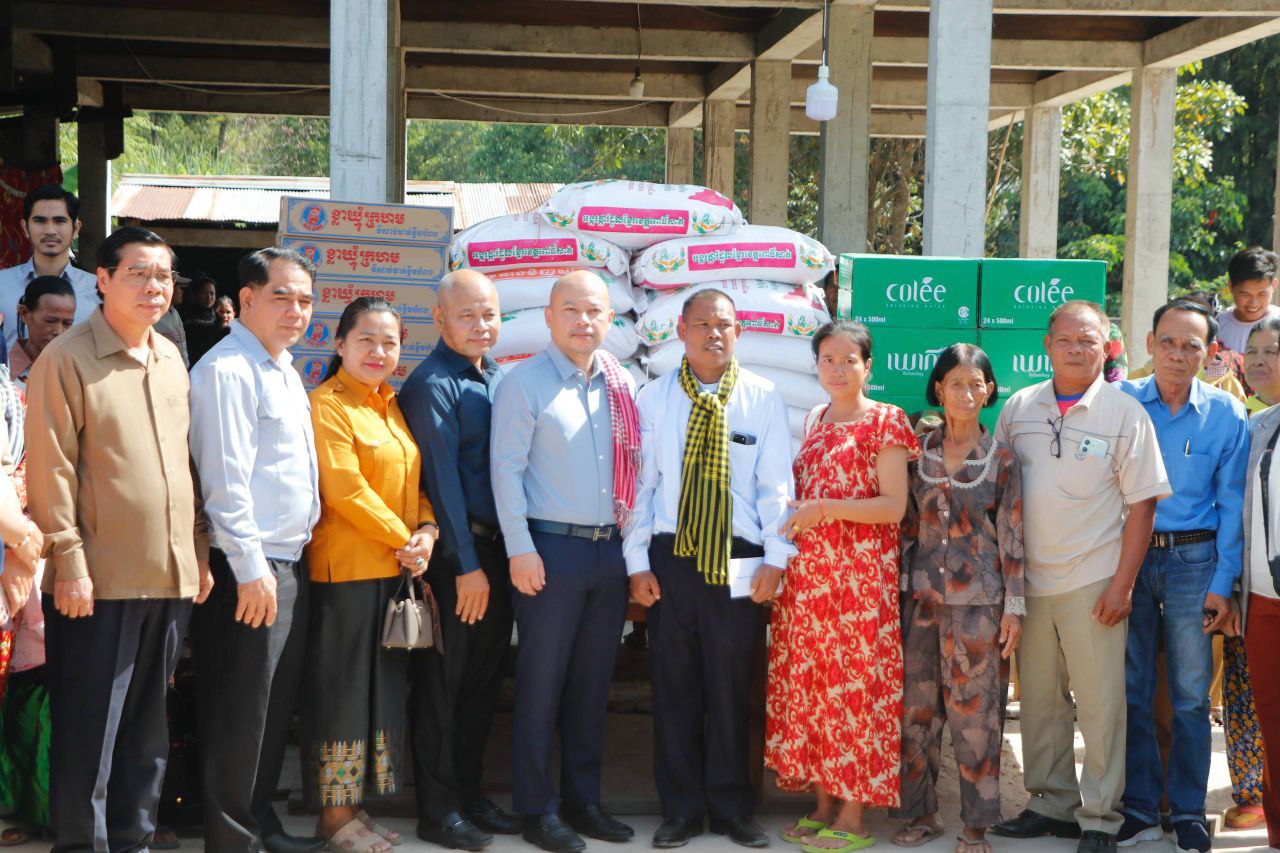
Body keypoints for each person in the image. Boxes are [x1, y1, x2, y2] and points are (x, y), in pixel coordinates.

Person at [25, 226, 213, 853]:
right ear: (101, 279)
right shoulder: (67, 359)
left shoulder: (170, 358)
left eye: (163, 276)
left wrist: (198, 553)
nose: (154, 287)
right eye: (138, 273)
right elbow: (51, 469)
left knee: (149, 730)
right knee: (90, 732)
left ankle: (132, 841)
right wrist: (69, 562)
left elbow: (184, 467)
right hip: (97, 581)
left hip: (170, 575)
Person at [991, 300, 1170, 853]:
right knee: (1040, 701)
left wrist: (1122, 585)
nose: (1075, 348)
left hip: (1094, 579)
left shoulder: (1124, 414)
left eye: (1088, 340)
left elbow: (1143, 506)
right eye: (1065, 339)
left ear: (1106, 347)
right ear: (1047, 345)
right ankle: (1051, 804)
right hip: (1029, 583)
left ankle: (1100, 818)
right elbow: (998, 489)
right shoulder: (1019, 407)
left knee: (1100, 705)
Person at [625, 290, 794, 849]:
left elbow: (776, 485)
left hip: (740, 558)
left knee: (732, 685)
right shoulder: (654, 398)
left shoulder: (762, 396)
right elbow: (642, 486)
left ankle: (731, 808)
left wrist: (776, 558)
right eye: (702, 324)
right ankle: (680, 809)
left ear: (738, 332)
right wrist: (636, 564)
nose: (713, 334)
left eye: (723, 324)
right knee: (674, 685)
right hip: (672, 555)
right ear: (681, 330)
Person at [490, 270, 640, 853]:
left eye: (594, 310)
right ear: (549, 318)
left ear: (610, 319)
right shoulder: (523, 383)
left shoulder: (620, 383)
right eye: (571, 310)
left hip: (608, 551)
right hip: (549, 551)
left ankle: (583, 801)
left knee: (592, 683)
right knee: (541, 683)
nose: (583, 320)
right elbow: (506, 472)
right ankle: (538, 808)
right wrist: (519, 548)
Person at [765, 320, 920, 853]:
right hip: (809, 584)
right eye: (827, 359)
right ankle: (823, 805)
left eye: (848, 360)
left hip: (859, 583)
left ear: (867, 366)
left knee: (856, 692)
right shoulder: (814, 418)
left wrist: (824, 509)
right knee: (813, 691)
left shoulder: (886, 420)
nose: (837, 369)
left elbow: (893, 507)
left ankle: (853, 816)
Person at [187, 248, 322, 853]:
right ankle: (232, 839)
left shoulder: (282, 368)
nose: (297, 311)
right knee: (240, 710)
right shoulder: (227, 370)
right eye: (281, 297)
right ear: (245, 299)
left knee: (270, 707)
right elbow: (225, 483)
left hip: (287, 561)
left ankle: (259, 823)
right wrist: (250, 569)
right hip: (250, 565)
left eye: (306, 300)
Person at [304, 296, 439, 853]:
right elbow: (344, 488)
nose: (378, 352)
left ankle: (354, 808)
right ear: (340, 344)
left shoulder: (391, 405)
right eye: (366, 340)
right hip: (346, 575)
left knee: (379, 693)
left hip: (393, 571)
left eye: (390, 342)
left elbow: (415, 483)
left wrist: (426, 530)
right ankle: (332, 820)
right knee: (342, 694)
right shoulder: (327, 405)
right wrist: (404, 539)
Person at [1113, 300, 1248, 853]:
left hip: (1196, 561)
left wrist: (1224, 581)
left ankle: (1189, 812)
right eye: (1167, 342)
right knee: (1133, 690)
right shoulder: (1121, 403)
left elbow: (1232, 503)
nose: (1177, 354)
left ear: (1210, 352)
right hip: (1130, 557)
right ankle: (1140, 809)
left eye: (1191, 345)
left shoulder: (1226, 413)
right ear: (1149, 344)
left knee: (1192, 697)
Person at [398, 270, 518, 851]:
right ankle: (437, 809)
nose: (480, 325)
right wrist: (467, 565)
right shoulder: (431, 384)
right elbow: (442, 483)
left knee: (481, 682)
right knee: (442, 687)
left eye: (489, 314)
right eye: (467, 315)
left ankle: (469, 794)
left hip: (496, 552)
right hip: (455, 558)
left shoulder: (496, 377)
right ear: (439, 318)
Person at [890, 343, 1024, 853]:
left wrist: (1015, 609)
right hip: (921, 601)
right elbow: (904, 530)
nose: (965, 393)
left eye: (975, 384)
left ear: (989, 391)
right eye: (955, 384)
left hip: (979, 607)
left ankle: (976, 825)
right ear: (938, 389)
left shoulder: (1002, 459)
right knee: (916, 711)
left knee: (977, 716)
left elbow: (1013, 538)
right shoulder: (916, 453)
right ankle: (921, 814)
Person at [1239, 316, 1280, 847]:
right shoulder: (1256, 427)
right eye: (1252, 350)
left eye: (1272, 350)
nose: (1259, 359)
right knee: (1272, 719)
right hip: (1262, 599)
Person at [0, 185, 100, 352]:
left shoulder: (99, 291)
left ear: (76, 228)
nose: (50, 230)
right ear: (25, 228)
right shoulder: (2, 284)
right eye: (40, 221)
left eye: (59, 221)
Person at [8, 276, 75, 387]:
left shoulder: (79, 373)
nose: (59, 332)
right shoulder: (4, 369)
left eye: (67, 323)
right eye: (50, 321)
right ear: (24, 313)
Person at [1217, 247, 1280, 355]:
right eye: (1245, 294)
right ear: (1231, 286)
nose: (1253, 303)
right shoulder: (1217, 325)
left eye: (1261, 294)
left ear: (1274, 285)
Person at [184, 273, 226, 367]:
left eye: (212, 293)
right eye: (204, 292)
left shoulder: (218, 318)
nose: (209, 297)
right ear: (195, 294)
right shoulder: (187, 318)